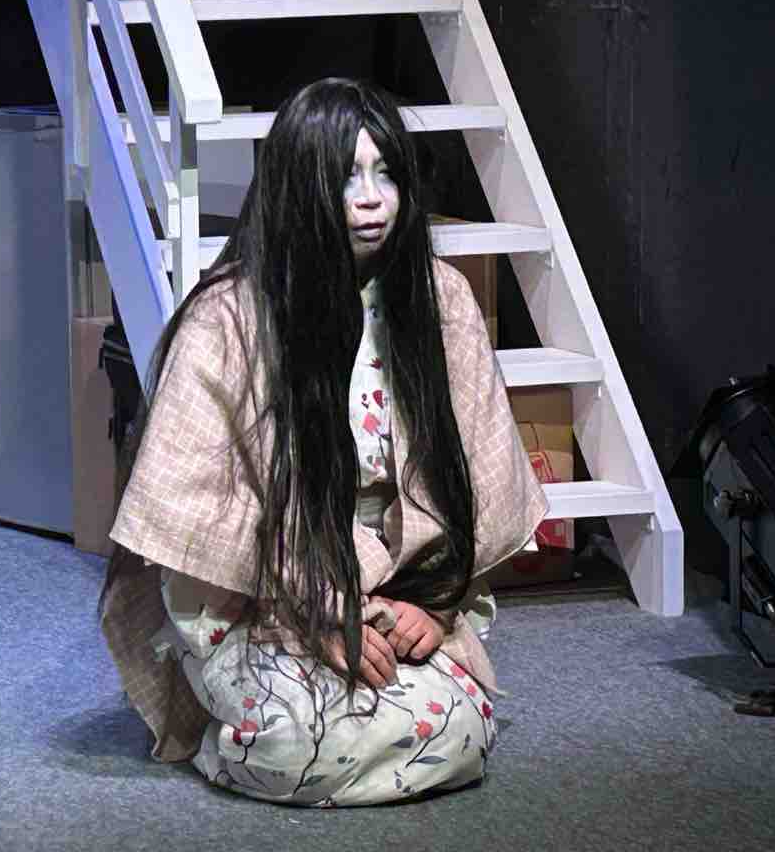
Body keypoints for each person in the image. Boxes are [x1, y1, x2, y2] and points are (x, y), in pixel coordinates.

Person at [100, 77, 548, 806]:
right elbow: (197, 510)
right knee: (289, 743)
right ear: (299, 188)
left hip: (401, 586)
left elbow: (480, 469)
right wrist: (315, 613)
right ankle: (235, 731)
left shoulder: (442, 300)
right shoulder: (229, 317)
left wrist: (434, 604)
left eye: (386, 174)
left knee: (462, 728)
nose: (372, 201)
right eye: (346, 178)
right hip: (268, 601)